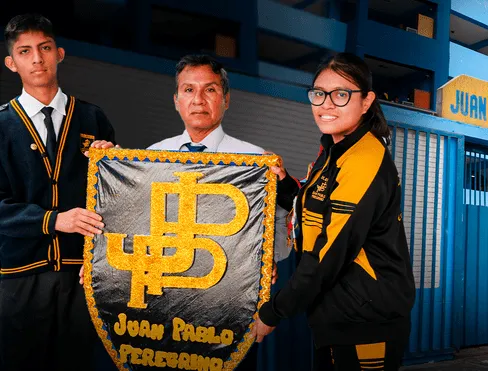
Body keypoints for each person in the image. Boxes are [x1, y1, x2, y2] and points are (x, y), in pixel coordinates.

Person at [252, 52, 416, 371]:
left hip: (366, 322)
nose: (326, 104)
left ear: (366, 101)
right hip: (336, 314)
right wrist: (284, 183)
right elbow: (313, 211)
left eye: (341, 94)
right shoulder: (333, 150)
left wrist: (273, 312)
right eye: (319, 94)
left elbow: (329, 252)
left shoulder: (365, 159)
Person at [148, 54, 285, 371]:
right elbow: (133, 220)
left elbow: (278, 220)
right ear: (176, 100)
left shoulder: (254, 159)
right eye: (188, 90)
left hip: (231, 306)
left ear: (226, 99)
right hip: (167, 304)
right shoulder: (150, 157)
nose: (198, 100)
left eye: (209, 90)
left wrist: (270, 259)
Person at [0, 13, 117, 371]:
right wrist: (54, 220)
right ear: (11, 63)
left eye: (45, 48)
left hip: (81, 277)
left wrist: (114, 167)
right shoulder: (2, 125)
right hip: (19, 279)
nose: (37, 58)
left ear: (60, 54)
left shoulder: (92, 118)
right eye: (25, 51)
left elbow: (117, 201)